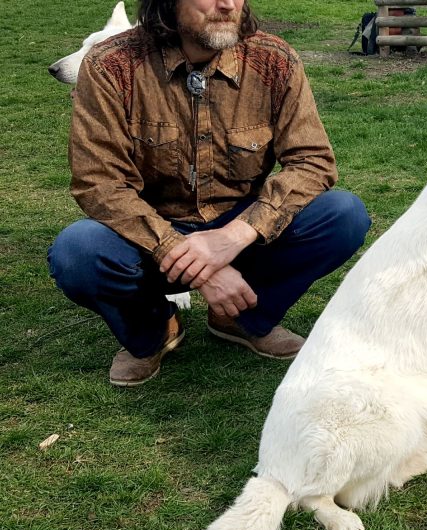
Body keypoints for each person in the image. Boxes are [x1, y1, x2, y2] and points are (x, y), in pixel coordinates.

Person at [47, 0, 370, 387]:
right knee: (77, 251)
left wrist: (235, 235)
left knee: (344, 215)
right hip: (147, 236)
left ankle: (242, 317)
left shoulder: (274, 58)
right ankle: (154, 332)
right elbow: (98, 182)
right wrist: (186, 256)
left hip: (242, 229)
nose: (228, 3)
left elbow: (313, 161)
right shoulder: (110, 64)